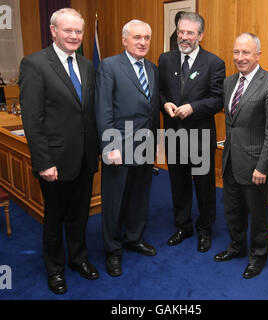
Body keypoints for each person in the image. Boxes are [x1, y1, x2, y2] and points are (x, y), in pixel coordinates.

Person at [19, 8, 100, 294]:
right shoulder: (34, 64)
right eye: (68, 31)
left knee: (79, 215)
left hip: (85, 157)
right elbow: (32, 119)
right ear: (53, 31)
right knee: (54, 218)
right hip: (54, 160)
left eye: (79, 31)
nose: (75, 36)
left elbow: (88, 113)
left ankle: (79, 259)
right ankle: (55, 269)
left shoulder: (88, 65)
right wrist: (44, 162)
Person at [213, 33, 268, 279]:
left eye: (246, 53)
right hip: (231, 161)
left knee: (258, 215)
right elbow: (233, 124)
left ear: (258, 54)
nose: (240, 57)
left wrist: (263, 167)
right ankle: (236, 247)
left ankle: (258, 256)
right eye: (236, 52)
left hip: (257, 166)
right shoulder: (229, 82)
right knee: (232, 210)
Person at [95, 20, 160, 277]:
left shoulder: (153, 69)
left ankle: (133, 238)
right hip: (118, 147)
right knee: (114, 200)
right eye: (137, 37)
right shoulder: (110, 66)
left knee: (139, 196)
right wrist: (109, 146)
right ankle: (112, 250)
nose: (143, 42)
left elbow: (151, 110)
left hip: (145, 146)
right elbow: (103, 109)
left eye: (146, 37)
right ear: (125, 40)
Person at [158, 12, 225, 253]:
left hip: (200, 136)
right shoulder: (165, 59)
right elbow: (161, 92)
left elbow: (218, 100)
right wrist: (164, 104)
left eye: (190, 33)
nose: (184, 37)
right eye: (181, 32)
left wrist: (193, 108)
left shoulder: (214, 63)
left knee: (204, 186)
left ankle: (204, 229)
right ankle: (183, 226)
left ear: (200, 35)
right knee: (178, 184)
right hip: (174, 134)